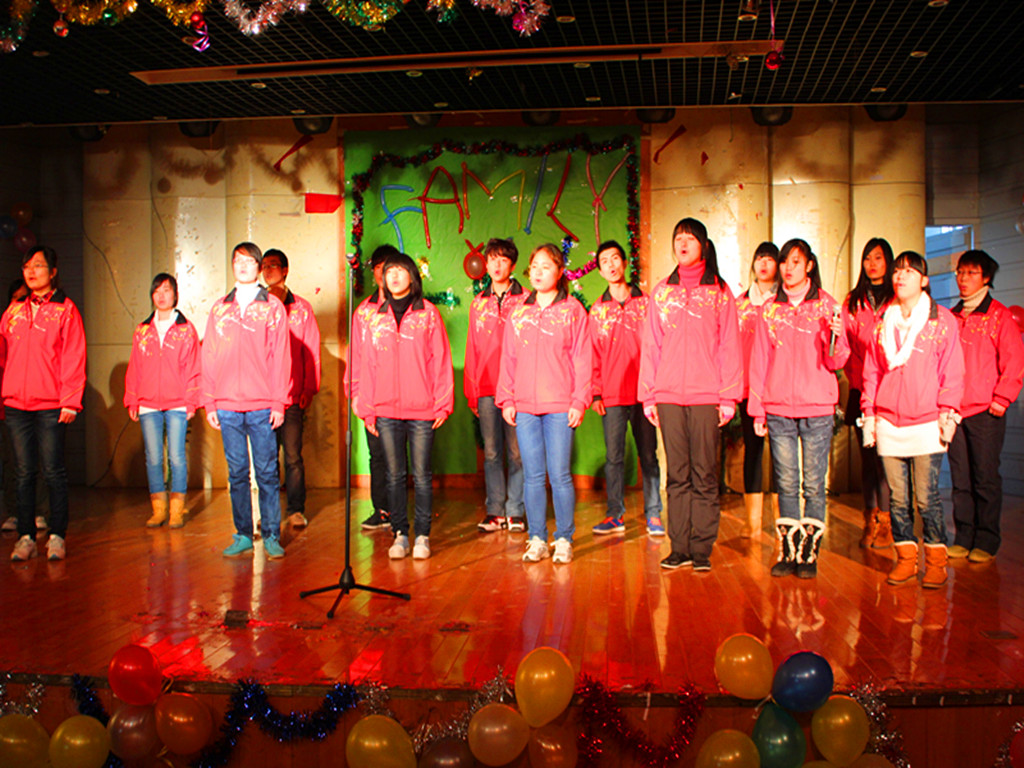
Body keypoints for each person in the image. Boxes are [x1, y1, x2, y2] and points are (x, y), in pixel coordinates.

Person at [639, 218, 741, 573]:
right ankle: (678, 547)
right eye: (678, 237)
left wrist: (728, 397)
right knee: (677, 474)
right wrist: (648, 395)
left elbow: (730, 346)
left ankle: (701, 548)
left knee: (704, 473)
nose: (682, 244)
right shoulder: (661, 292)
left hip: (706, 395)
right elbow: (651, 346)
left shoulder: (719, 293)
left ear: (704, 246)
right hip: (667, 395)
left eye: (690, 238)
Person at [861, 251, 965, 589]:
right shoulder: (883, 322)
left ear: (924, 279)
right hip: (890, 422)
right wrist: (870, 411)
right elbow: (872, 372)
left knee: (926, 497)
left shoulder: (942, 320)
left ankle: (935, 561)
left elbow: (952, 371)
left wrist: (948, 411)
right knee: (897, 498)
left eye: (909, 270)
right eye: (898, 270)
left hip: (927, 421)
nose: (900, 275)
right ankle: (906, 559)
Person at [748, 239, 849, 579]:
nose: (788, 268)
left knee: (814, 483)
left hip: (817, 407)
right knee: (786, 482)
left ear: (809, 265)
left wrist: (838, 337)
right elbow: (759, 362)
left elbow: (837, 361)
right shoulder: (769, 309)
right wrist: (758, 409)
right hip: (778, 407)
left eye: (795, 261)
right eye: (784, 261)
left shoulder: (827, 306)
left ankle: (809, 554)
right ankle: (788, 551)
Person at [497, 243, 592, 564]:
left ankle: (564, 538)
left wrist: (579, 400)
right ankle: (537, 537)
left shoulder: (573, 310)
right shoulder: (519, 312)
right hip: (525, 405)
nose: (538, 272)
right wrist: (507, 398)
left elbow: (582, 359)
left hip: (561, 405)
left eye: (546, 266)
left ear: (560, 272)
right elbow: (508, 358)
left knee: (560, 475)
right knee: (533, 476)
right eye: (534, 266)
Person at [355, 252, 453, 560]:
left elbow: (441, 360)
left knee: (421, 474)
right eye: (389, 271)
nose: (394, 276)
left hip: (422, 409)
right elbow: (367, 366)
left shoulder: (428, 314)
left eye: (401, 270)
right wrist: (367, 409)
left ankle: (422, 535)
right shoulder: (375, 317)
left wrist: (442, 404)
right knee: (394, 474)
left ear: (412, 276)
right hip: (385, 410)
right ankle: (400, 533)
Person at [201, 242, 291, 560]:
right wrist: (209, 402)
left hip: (262, 404)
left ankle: (271, 534)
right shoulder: (219, 309)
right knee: (237, 472)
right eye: (237, 260)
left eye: (249, 261)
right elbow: (209, 356)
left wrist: (279, 402)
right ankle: (242, 533)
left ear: (258, 268)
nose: (242, 265)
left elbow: (281, 357)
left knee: (267, 472)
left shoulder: (272, 307)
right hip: (226, 405)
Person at [1, 247, 86, 561]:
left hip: (51, 403)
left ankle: (57, 535)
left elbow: (74, 356)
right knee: (23, 473)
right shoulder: (13, 311)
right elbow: (3, 357)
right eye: (27, 266)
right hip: (16, 404)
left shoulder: (65, 309)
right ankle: (25, 536)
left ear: (52, 271)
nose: (31, 271)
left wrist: (70, 400)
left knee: (52, 471)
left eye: (38, 265)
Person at [947, 250, 1024, 563]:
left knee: (985, 477)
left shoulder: (999, 316)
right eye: (960, 272)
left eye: (971, 273)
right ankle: (964, 536)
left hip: (986, 411)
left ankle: (987, 539)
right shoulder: (952, 317)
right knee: (960, 478)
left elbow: (1015, 360)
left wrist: (1002, 398)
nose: (963, 279)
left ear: (986, 277)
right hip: (954, 411)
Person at [588, 240, 663, 537]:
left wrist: (655, 390)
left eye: (615, 258)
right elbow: (593, 355)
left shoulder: (647, 303)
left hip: (644, 395)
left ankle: (654, 514)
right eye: (604, 261)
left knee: (649, 455)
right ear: (600, 270)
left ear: (624, 262)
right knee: (614, 458)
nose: (611, 265)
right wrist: (595, 392)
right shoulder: (597, 310)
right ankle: (614, 515)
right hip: (611, 395)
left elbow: (658, 348)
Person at [124, 273, 201, 529]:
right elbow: (135, 366)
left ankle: (177, 511)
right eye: (157, 290)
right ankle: (159, 509)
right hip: (148, 403)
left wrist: (192, 401)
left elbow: (194, 367)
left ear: (175, 294)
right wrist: (132, 399)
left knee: (177, 457)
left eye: (166, 290)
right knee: (154, 458)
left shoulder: (186, 329)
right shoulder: (142, 330)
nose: (161, 295)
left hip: (177, 402)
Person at [464, 237, 527, 533]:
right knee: (491, 452)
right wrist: (472, 393)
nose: (497, 265)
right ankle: (495, 511)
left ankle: (515, 511)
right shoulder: (478, 303)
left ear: (512, 265)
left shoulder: (526, 300)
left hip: (518, 389)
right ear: (485, 265)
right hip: (487, 388)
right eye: (492, 259)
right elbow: (472, 349)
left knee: (517, 453)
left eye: (503, 260)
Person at [261, 249, 322, 529]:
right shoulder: (258, 306)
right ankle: (269, 512)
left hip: (293, 395)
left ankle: (296, 509)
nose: (268, 270)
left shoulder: (302, 309)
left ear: (285, 270)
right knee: (266, 457)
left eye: (274, 265)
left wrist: (309, 387)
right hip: (263, 396)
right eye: (264, 266)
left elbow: (311, 350)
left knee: (293, 456)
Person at [843, 238, 895, 550]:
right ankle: (869, 519)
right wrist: (856, 380)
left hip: (892, 392)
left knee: (886, 460)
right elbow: (845, 347)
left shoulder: (897, 298)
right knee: (867, 460)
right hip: (861, 389)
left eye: (878, 258)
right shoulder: (853, 300)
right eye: (867, 258)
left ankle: (887, 523)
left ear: (888, 261)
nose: (872, 264)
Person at [349, 244, 400, 531]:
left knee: (399, 455)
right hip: (372, 393)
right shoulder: (363, 312)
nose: (382, 272)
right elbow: (356, 355)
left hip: (402, 394)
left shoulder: (408, 307)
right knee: (377, 453)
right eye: (378, 267)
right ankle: (381, 509)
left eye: (388, 266)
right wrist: (355, 392)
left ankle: (399, 512)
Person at [735, 241, 779, 539]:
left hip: (778, 388)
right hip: (750, 389)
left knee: (780, 454)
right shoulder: (740, 304)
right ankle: (752, 524)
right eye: (759, 258)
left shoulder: (784, 303)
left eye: (769, 259)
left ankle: (780, 520)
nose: (763, 264)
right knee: (753, 451)